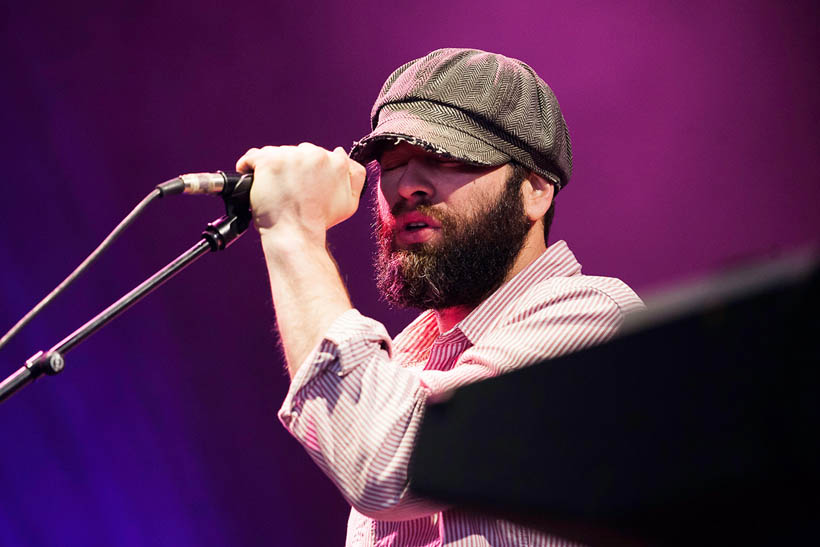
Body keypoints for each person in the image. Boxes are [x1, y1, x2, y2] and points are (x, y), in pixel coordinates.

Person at [236, 48, 644, 547]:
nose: (406, 186)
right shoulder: (404, 360)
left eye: (444, 158)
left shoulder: (595, 325)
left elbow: (383, 462)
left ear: (535, 190)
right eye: (392, 163)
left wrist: (294, 232)